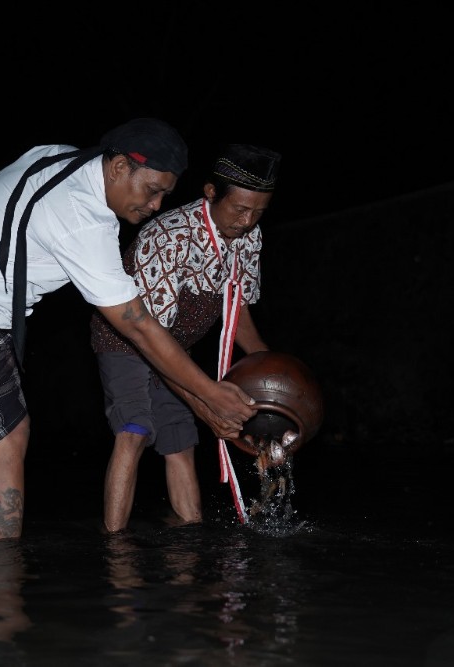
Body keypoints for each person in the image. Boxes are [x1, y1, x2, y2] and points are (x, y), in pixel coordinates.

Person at [0, 118, 257, 539]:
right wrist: (211, 394)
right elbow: (136, 325)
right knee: (8, 435)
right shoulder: (84, 218)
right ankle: (1, 578)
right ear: (119, 167)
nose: (156, 205)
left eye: (165, 195)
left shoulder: (59, 156)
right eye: (153, 190)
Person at [89, 143, 281, 533]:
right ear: (211, 193)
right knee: (136, 428)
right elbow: (147, 334)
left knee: (179, 438)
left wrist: (265, 362)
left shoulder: (249, 237)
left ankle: (190, 540)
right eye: (240, 209)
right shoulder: (169, 236)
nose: (247, 221)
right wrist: (205, 400)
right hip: (128, 339)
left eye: (258, 213)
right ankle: (114, 548)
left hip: (175, 346)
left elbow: (236, 304)